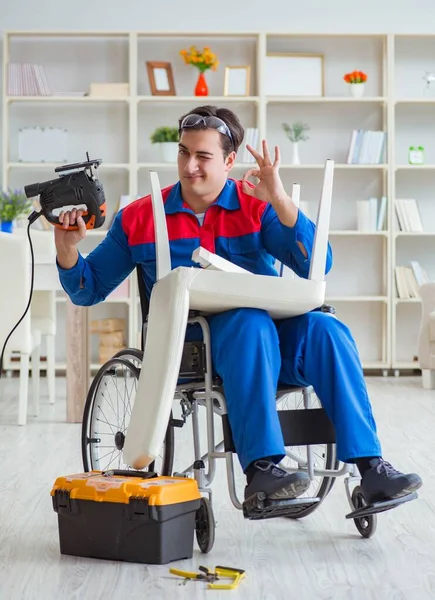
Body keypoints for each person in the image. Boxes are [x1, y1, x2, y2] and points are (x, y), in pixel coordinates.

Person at [55, 105, 422, 506]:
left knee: (328, 330)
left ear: (230, 161)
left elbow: (319, 263)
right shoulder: (140, 217)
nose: (190, 165)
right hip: (191, 352)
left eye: (203, 156)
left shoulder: (257, 206)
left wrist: (279, 198)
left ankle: (371, 469)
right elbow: (87, 290)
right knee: (249, 322)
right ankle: (262, 470)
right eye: (183, 153)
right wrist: (67, 249)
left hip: (271, 347)